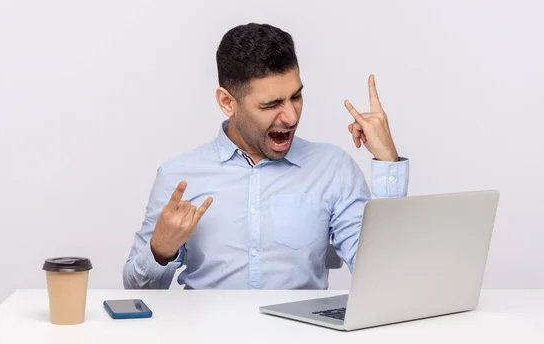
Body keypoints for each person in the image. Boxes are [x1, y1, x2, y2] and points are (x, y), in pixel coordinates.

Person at [122, 23, 409, 290]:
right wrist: (160, 249)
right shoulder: (179, 175)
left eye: (295, 97)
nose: (292, 115)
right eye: (271, 104)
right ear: (227, 102)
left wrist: (387, 160)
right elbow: (137, 290)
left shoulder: (333, 169)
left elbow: (385, 275)